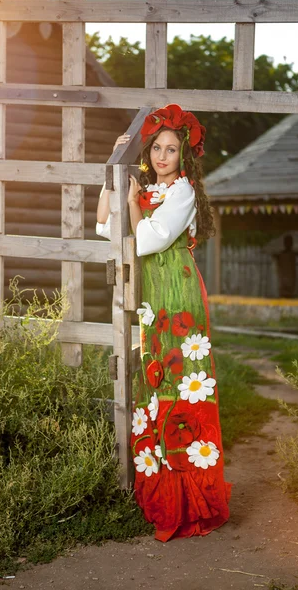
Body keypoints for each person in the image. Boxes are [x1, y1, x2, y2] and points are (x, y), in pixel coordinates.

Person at [96, 104, 231, 542]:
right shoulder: (146, 189)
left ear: (183, 155)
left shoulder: (182, 193)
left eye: (171, 149)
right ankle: (161, 492)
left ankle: (191, 497)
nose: (162, 156)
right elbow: (104, 226)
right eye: (156, 148)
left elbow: (150, 241)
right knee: (156, 381)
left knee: (181, 382)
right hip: (154, 300)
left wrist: (134, 204)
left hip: (179, 296)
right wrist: (111, 173)